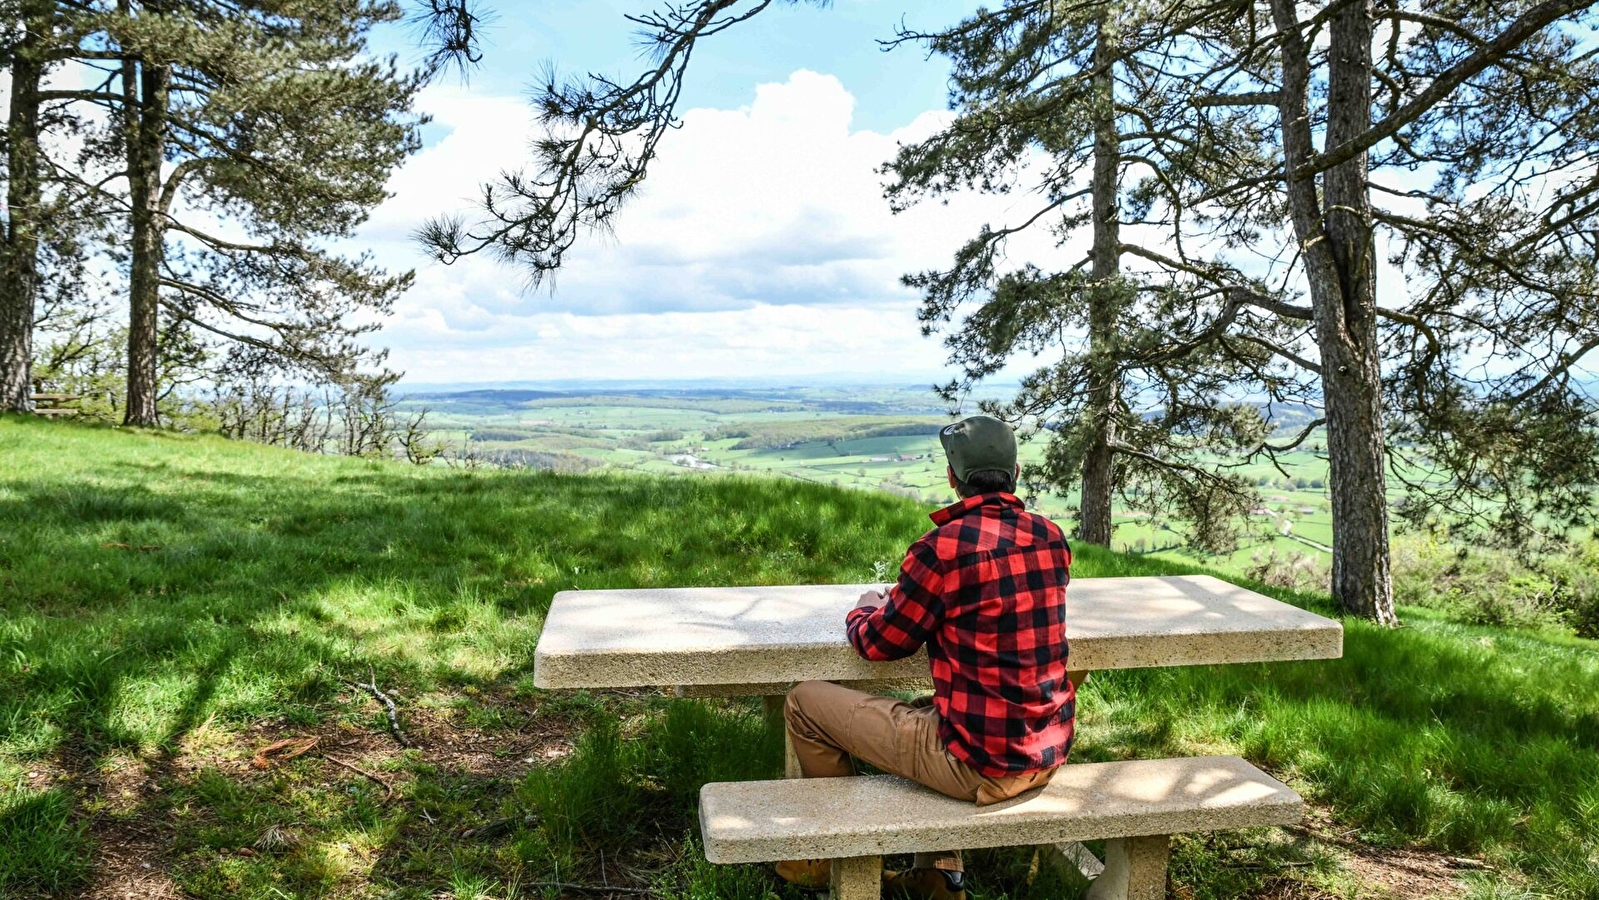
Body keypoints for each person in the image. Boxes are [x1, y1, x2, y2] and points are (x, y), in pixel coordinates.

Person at [777, 414, 1076, 900]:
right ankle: (938, 877)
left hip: (981, 765)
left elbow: (879, 645)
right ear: (1016, 473)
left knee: (804, 703)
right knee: (931, 705)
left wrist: (864, 609)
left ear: (953, 478)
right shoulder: (1050, 537)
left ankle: (827, 859)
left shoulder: (942, 550)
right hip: (1048, 750)